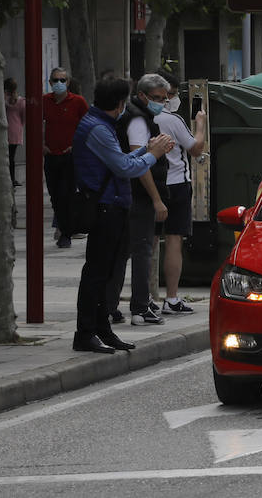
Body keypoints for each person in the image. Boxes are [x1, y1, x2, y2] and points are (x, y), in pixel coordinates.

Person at [71, 77, 174, 353]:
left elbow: (122, 160)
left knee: (106, 273)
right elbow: (124, 168)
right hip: (106, 207)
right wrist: (152, 155)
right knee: (97, 273)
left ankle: (102, 330)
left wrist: (147, 149)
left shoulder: (102, 125)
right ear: (119, 103)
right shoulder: (98, 129)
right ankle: (86, 332)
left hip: (114, 206)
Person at [108, 73, 172, 327]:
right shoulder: (138, 120)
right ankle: (140, 307)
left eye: (164, 98)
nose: (161, 103)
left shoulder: (136, 115)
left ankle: (110, 306)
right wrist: (157, 199)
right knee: (142, 251)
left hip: (127, 194)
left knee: (123, 252)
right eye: (156, 98)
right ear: (143, 95)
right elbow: (139, 162)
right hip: (139, 196)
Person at [154, 71, 206, 315]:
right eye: (169, 94)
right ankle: (171, 298)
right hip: (177, 184)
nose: (171, 99)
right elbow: (195, 149)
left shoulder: (139, 119)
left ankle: (145, 298)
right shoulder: (173, 120)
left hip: (151, 183)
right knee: (174, 241)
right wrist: (200, 124)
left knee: (148, 242)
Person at [42, 67, 88, 248]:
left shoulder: (78, 102)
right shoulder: (45, 101)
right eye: (55, 80)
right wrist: (41, 145)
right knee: (55, 195)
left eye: (62, 80)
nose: (59, 83)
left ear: (68, 82)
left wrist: (77, 146)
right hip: (51, 155)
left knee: (67, 194)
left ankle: (66, 232)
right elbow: (36, 124)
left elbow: (87, 126)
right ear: (50, 83)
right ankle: (62, 226)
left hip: (71, 156)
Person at [4, 78, 24, 187]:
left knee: (6, 157)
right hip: (16, 130)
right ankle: (12, 179)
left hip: (5, 130)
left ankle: (8, 178)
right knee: (12, 156)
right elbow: (24, 117)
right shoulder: (20, 101)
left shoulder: (3, 100)